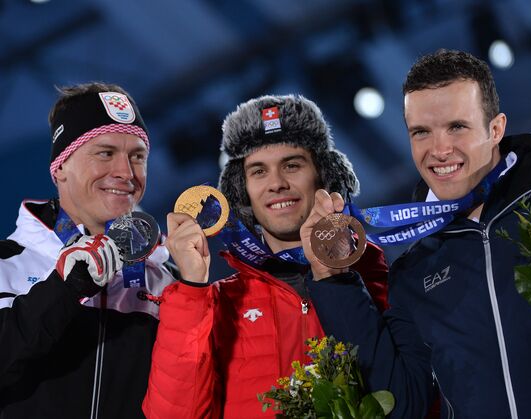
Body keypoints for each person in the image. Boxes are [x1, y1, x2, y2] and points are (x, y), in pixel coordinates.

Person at [310, 49, 531, 418]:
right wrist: (331, 277)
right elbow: (403, 404)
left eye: (457, 126)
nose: (439, 150)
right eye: (421, 132)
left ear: (496, 128)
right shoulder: (415, 271)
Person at [141, 95, 391, 418]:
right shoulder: (218, 304)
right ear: (241, 190)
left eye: (292, 165)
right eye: (259, 171)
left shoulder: (372, 276)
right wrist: (190, 289)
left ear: (324, 176)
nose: (277, 183)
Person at [0, 82, 177, 418]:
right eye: (105, 153)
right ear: (61, 167)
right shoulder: (6, 264)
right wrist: (64, 289)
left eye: (137, 156)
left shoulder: (164, 282)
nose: (126, 173)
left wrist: (193, 291)